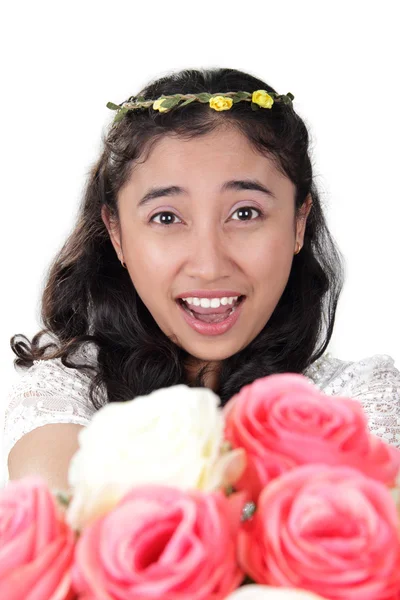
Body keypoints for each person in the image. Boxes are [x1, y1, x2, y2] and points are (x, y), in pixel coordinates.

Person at [4, 67, 400, 490]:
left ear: (298, 223)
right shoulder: (66, 389)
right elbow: (66, 526)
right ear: (117, 234)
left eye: (245, 213)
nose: (209, 266)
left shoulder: (356, 401)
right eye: (167, 217)